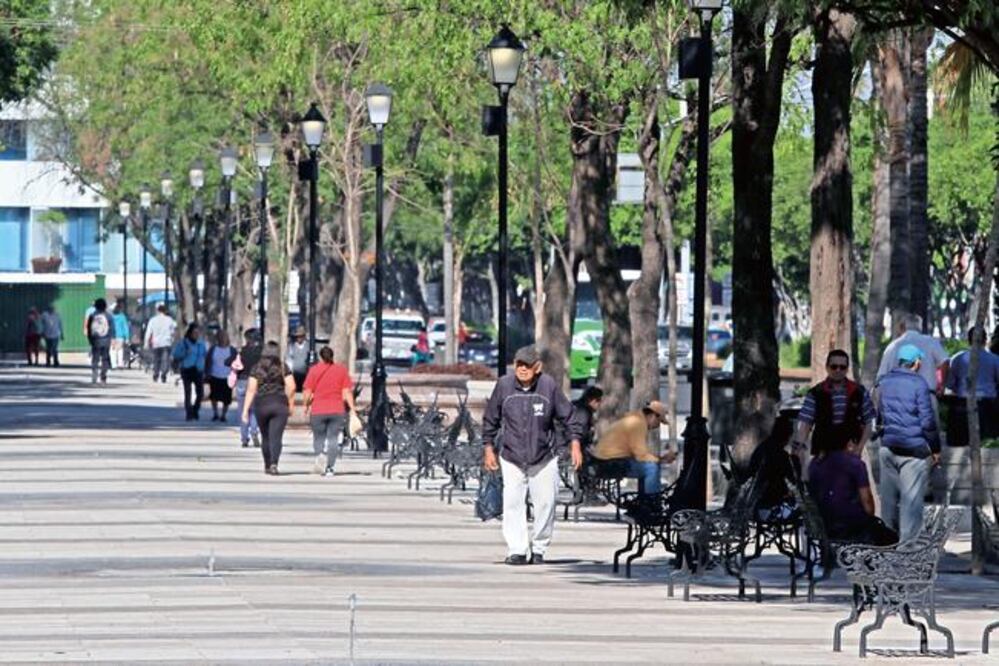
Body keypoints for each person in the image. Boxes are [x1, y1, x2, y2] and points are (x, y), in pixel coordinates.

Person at [482, 345, 582, 565]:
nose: (522, 369)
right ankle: (517, 549)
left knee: (546, 503)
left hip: (544, 456)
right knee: (512, 504)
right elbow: (491, 419)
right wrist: (489, 448)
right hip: (511, 455)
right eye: (519, 364)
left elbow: (569, 417)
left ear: (538, 367)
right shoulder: (504, 386)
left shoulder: (548, 386)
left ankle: (539, 548)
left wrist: (575, 444)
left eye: (527, 365)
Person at [875, 344, 941, 542]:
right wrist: (935, 448)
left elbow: (878, 414)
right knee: (910, 504)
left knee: (888, 502)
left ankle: (885, 545)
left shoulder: (883, 382)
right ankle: (907, 550)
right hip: (913, 453)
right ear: (916, 362)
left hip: (887, 447)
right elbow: (927, 421)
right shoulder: (919, 384)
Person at [794, 350, 877, 480]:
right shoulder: (815, 393)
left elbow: (868, 422)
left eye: (842, 367)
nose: (838, 370)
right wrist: (798, 447)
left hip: (850, 455)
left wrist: (859, 448)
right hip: (823, 455)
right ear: (827, 367)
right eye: (834, 366)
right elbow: (805, 423)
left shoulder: (859, 392)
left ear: (847, 369)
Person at [808, 440, 897, 546]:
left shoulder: (815, 463)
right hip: (851, 527)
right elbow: (868, 505)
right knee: (891, 537)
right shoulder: (854, 464)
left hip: (826, 524)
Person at [592, 401, 676, 495]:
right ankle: (651, 502)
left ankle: (643, 500)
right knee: (651, 468)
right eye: (659, 421)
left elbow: (638, 454)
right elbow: (641, 455)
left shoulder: (633, 420)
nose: (657, 426)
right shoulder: (638, 424)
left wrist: (660, 459)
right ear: (653, 416)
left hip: (605, 461)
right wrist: (662, 460)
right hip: (611, 463)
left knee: (647, 466)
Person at [242, 341, 296, 475]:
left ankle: (267, 464)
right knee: (276, 437)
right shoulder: (283, 367)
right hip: (279, 404)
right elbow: (292, 386)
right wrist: (290, 403)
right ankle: (274, 464)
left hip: (262, 404)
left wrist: (245, 411)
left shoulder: (256, 368)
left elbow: (251, 389)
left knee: (265, 436)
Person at [302, 345, 355, 476]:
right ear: (332, 356)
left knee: (318, 437)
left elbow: (308, 390)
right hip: (337, 409)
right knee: (333, 438)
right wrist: (353, 409)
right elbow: (346, 391)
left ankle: (320, 454)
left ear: (320, 356)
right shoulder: (341, 370)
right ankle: (330, 467)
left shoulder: (314, 370)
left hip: (318, 409)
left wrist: (305, 405)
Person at [943, 326, 999, 443]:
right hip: (988, 408)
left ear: (968, 340)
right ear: (985, 340)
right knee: (988, 443)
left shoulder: (957, 359)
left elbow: (950, 384)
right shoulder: (995, 360)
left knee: (960, 445)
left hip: (961, 408)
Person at [876, 313, 948, 393]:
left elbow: (881, 377)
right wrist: (942, 385)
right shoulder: (931, 342)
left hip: (899, 397)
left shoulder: (893, 346)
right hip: (928, 394)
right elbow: (945, 361)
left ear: (902, 327)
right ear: (920, 327)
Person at [233, 329, 262, 447]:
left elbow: (230, 362)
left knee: (243, 410)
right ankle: (254, 431)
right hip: (254, 381)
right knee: (254, 409)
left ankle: (244, 437)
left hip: (242, 381)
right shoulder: (260, 353)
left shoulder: (242, 352)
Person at [172, 323, 207, 421]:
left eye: (198, 333)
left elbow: (205, 355)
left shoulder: (201, 344)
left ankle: (195, 410)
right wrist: (184, 353)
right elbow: (176, 355)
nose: (196, 335)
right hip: (187, 369)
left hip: (198, 370)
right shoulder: (184, 343)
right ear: (190, 333)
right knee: (188, 392)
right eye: (194, 333)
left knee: (200, 393)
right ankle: (189, 413)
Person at [205, 330, 236, 422]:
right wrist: (207, 374)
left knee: (226, 398)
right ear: (217, 338)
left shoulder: (232, 350)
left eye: (224, 337)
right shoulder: (213, 349)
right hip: (214, 375)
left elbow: (236, 362)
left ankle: (223, 414)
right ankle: (215, 413)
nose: (223, 339)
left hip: (227, 377)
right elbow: (207, 361)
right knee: (214, 396)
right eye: (221, 337)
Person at [144, 303, 177, 383]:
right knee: (165, 359)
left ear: (157, 310)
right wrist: (173, 339)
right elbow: (173, 331)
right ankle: (164, 374)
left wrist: (146, 342)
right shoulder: (169, 320)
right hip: (166, 342)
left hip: (156, 342)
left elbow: (149, 331)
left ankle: (156, 373)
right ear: (165, 311)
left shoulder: (153, 320)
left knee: (156, 359)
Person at [85, 299, 115, 384]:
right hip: (106, 339)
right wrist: (113, 339)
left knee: (95, 358)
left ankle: (94, 373)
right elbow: (112, 328)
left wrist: (90, 339)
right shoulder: (109, 316)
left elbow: (89, 328)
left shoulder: (92, 315)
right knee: (105, 359)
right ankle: (103, 376)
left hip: (96, 340)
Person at [570, 385, 603, 452]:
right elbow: (577, 433)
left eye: (600, 400)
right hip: (574, 450)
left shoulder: (577, 407)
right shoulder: (582, 412)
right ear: (589, 400)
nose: (599, 403)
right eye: (597, 400)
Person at [286, 326, 310, 392]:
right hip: (295, 373)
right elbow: (289, 359)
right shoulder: (291, 346)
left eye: (300, 336)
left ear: (304, 337)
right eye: (297, 336)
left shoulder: (308, 346)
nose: (298, 338)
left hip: (306, 374)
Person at [111, 301, 131, 369]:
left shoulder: (111, 317)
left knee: (113, 350)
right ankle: (120, 364)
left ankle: (114, 364)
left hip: (112, 336)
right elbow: (125, 327)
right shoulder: (122, 317)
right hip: (120, 336)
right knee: (120, 350)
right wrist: (127, 337)